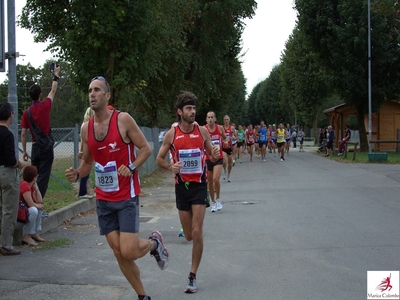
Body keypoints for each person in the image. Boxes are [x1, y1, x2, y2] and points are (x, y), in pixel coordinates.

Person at [65, 76, 168, 300]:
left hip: (126, 196)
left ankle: (154, 243)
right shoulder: (86, 128)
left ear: (107, 95)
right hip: (103, 199)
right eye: (90, 90)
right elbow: (87, 163)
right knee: (119, 252)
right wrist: (77, 173)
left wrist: (131, 167)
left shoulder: (123, 120)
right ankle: (142, 296)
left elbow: (146, 149)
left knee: (129, 250)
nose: (92, 94)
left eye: (97, 90)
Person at [156, 91, 219, 293]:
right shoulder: (171, 135)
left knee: (197, 231)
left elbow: (211, 153)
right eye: (189, 109)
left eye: (194, 108)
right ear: (180, 111)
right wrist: (170, 167)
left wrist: (215, 153)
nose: (193, 112)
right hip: (181, 187)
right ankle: (165, 244)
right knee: (189, 236)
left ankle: (192, 276)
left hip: (200, 185)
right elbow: (159, 159)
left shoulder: (202, 132)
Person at [21, 65, 61, 203]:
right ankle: (38, 203)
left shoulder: (26, 113)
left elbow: (23, 133)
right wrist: (56, 74)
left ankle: (29, 201)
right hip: (46, 147)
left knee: (33, 176)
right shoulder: (45, 106)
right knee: (43, 177)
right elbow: (53, 90)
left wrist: (25, 151)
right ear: (40, 95)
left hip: (35, 147)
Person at [0, 102, 27, 255]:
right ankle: (6, 244)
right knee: (9, 210)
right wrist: (20, 164)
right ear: (10, 114)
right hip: (7, 174)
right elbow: (11, 159)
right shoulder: (7, 134)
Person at [204, 111, 226, 212]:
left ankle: (218, 199)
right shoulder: (204, 130)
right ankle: (213, 202)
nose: (210, 119)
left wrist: (224, 143)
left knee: (216, 179)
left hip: (218, 157)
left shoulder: (220, 128)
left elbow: (225, 138)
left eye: (212, 117)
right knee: (210, 181)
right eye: (208, 117)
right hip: (208, 158)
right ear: (206, 119)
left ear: (215, 119)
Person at [17, 166, 45, 246]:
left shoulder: (31, 186)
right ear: (34, 178)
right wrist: (38, 205)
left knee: (38, 209)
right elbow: (30, 204)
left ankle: (34, 233)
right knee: (34, 210)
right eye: (36, 176)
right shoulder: (24, 185)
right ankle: (27, 236)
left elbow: (39, 200)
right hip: (19, 215)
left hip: (24, 212)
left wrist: (36, 188)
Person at [77, 107, 95, 199]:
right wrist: (81, 151)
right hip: (87, 150)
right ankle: (82, 192)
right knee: (85, 170)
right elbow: (84, 140)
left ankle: (86, 190)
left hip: (89, 149)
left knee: (88, 170)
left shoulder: (90, 124)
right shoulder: (86, 125)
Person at [222, 115, 236, 182]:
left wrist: (232, 138)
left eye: (227, 119)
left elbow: (236, 137)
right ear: (223, 120)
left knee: (230, 162)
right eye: (225, 119)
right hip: (223, 146)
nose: (226, 121)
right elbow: (219, 136)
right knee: (224, 160)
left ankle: (228, 174)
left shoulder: (232, 128)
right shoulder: (221, 128)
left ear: (229, 120)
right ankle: (224, 170)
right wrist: (222, 140)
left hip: (229, 147)